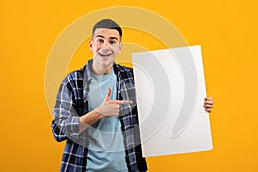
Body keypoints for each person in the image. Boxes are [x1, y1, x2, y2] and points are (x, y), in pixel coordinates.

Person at [51, 19, 214, 172]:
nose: (106, 46)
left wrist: (199, 106)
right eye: (100, 40)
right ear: (91, 44)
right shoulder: (73, 81)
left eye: (112, 41)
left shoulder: (134, 78)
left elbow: (166, 105)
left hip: (128, 168)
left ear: (119, 47)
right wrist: (99, 112)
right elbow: (58, 130)